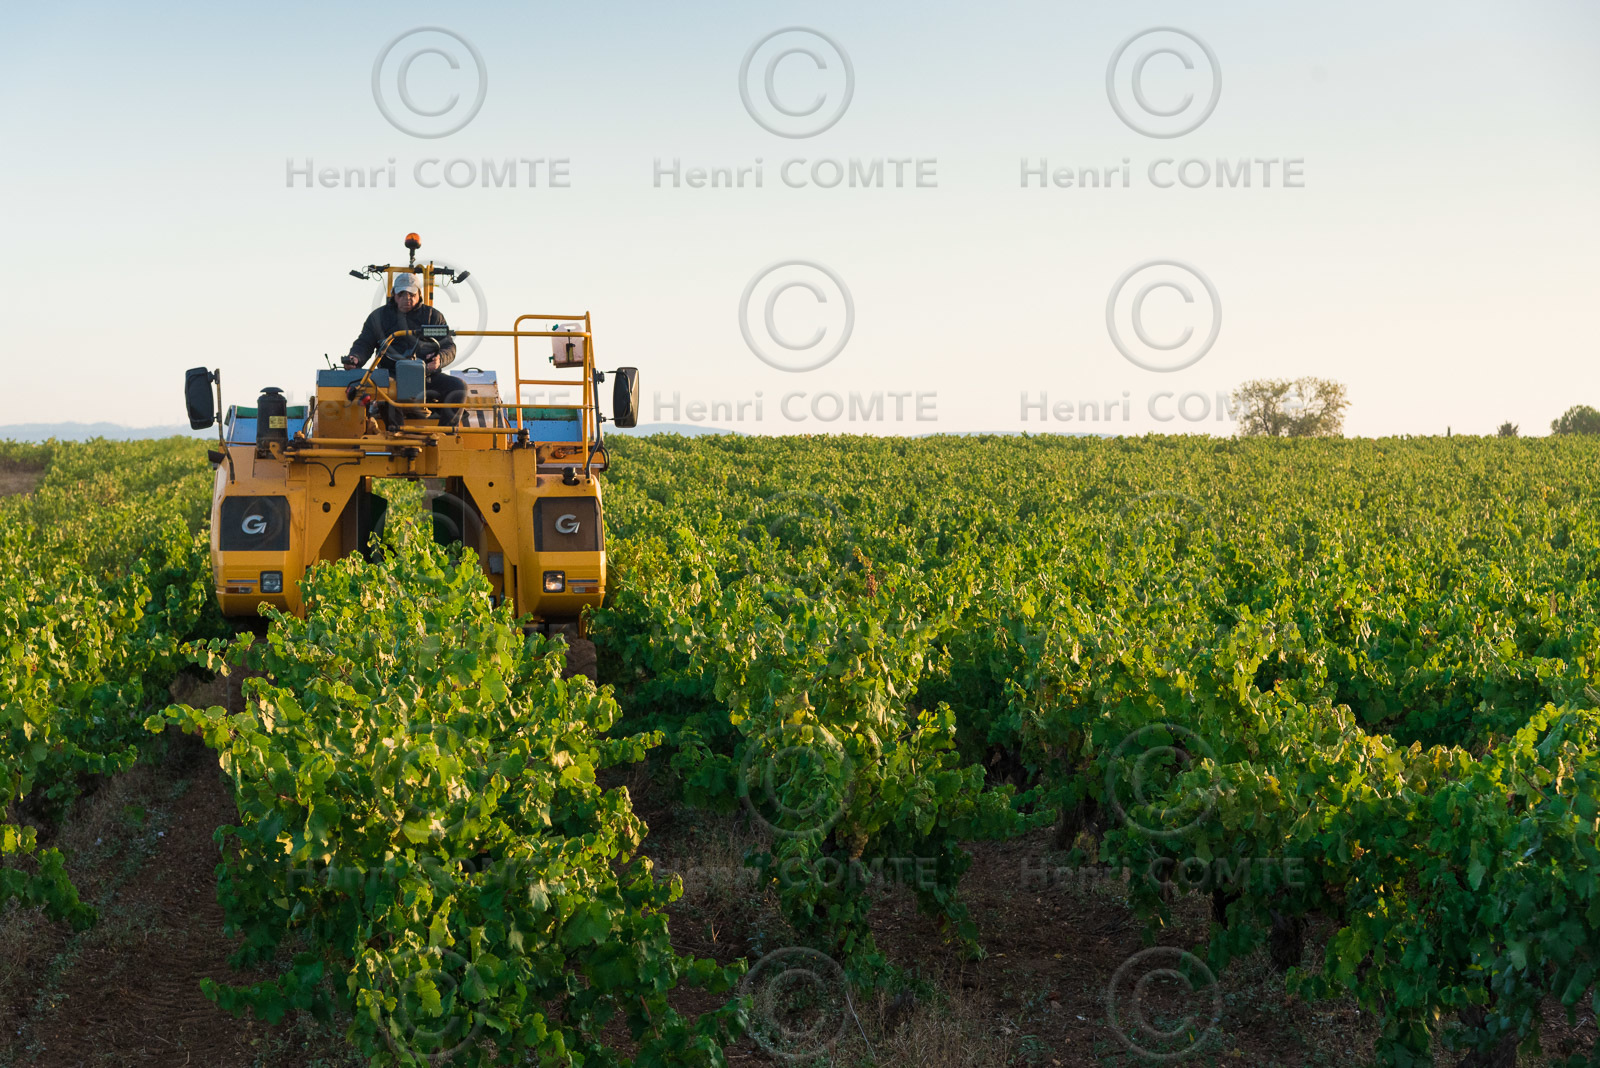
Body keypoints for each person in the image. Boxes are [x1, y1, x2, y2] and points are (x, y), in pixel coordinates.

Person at [344, 272, 467, 427]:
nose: (406, 298)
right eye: (402, 293)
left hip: (425, 376)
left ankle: (445, 436)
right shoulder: (378, 317)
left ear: (419, 294)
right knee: (385, 389)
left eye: (411, 293)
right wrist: (355, 358)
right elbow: (364, 343)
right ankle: (397, 435)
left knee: (458, 387)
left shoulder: (433, 317)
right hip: (391, 376)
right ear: (393, 294)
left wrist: (439, 359)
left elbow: (448, 346)